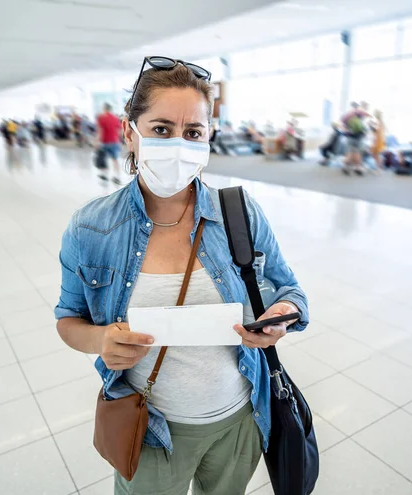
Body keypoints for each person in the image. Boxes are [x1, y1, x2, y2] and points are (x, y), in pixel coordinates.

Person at [55, 57, 309, 495]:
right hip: (149, 430)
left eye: (193, 132)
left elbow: (289, 289)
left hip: (239, 419)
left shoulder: (238, 214)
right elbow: (68, 319)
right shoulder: (91, 228)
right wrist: (101, 341)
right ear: (129, 132)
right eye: (160, 129)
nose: (178, 143)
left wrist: (283, 314)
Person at [341, 101, 370, 175]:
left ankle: (345, 166)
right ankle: (357, 168)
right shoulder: (360, 112)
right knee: (357, 152)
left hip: (349, 136)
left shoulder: (347, 114)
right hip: (359, 136)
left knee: (350, 152)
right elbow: (367, 119)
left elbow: (342, 124)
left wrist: (346, 130)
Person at [96, 103, 123, 182]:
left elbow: (100, 131)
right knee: (115, 159)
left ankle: (104, 175)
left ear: (104, 108)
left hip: (105, 142)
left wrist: (97, 142)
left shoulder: (101, 117)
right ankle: (117, 177)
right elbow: (119, 131)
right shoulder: (115, 118)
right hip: (115, 141)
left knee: (103, 158)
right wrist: (119, 141)